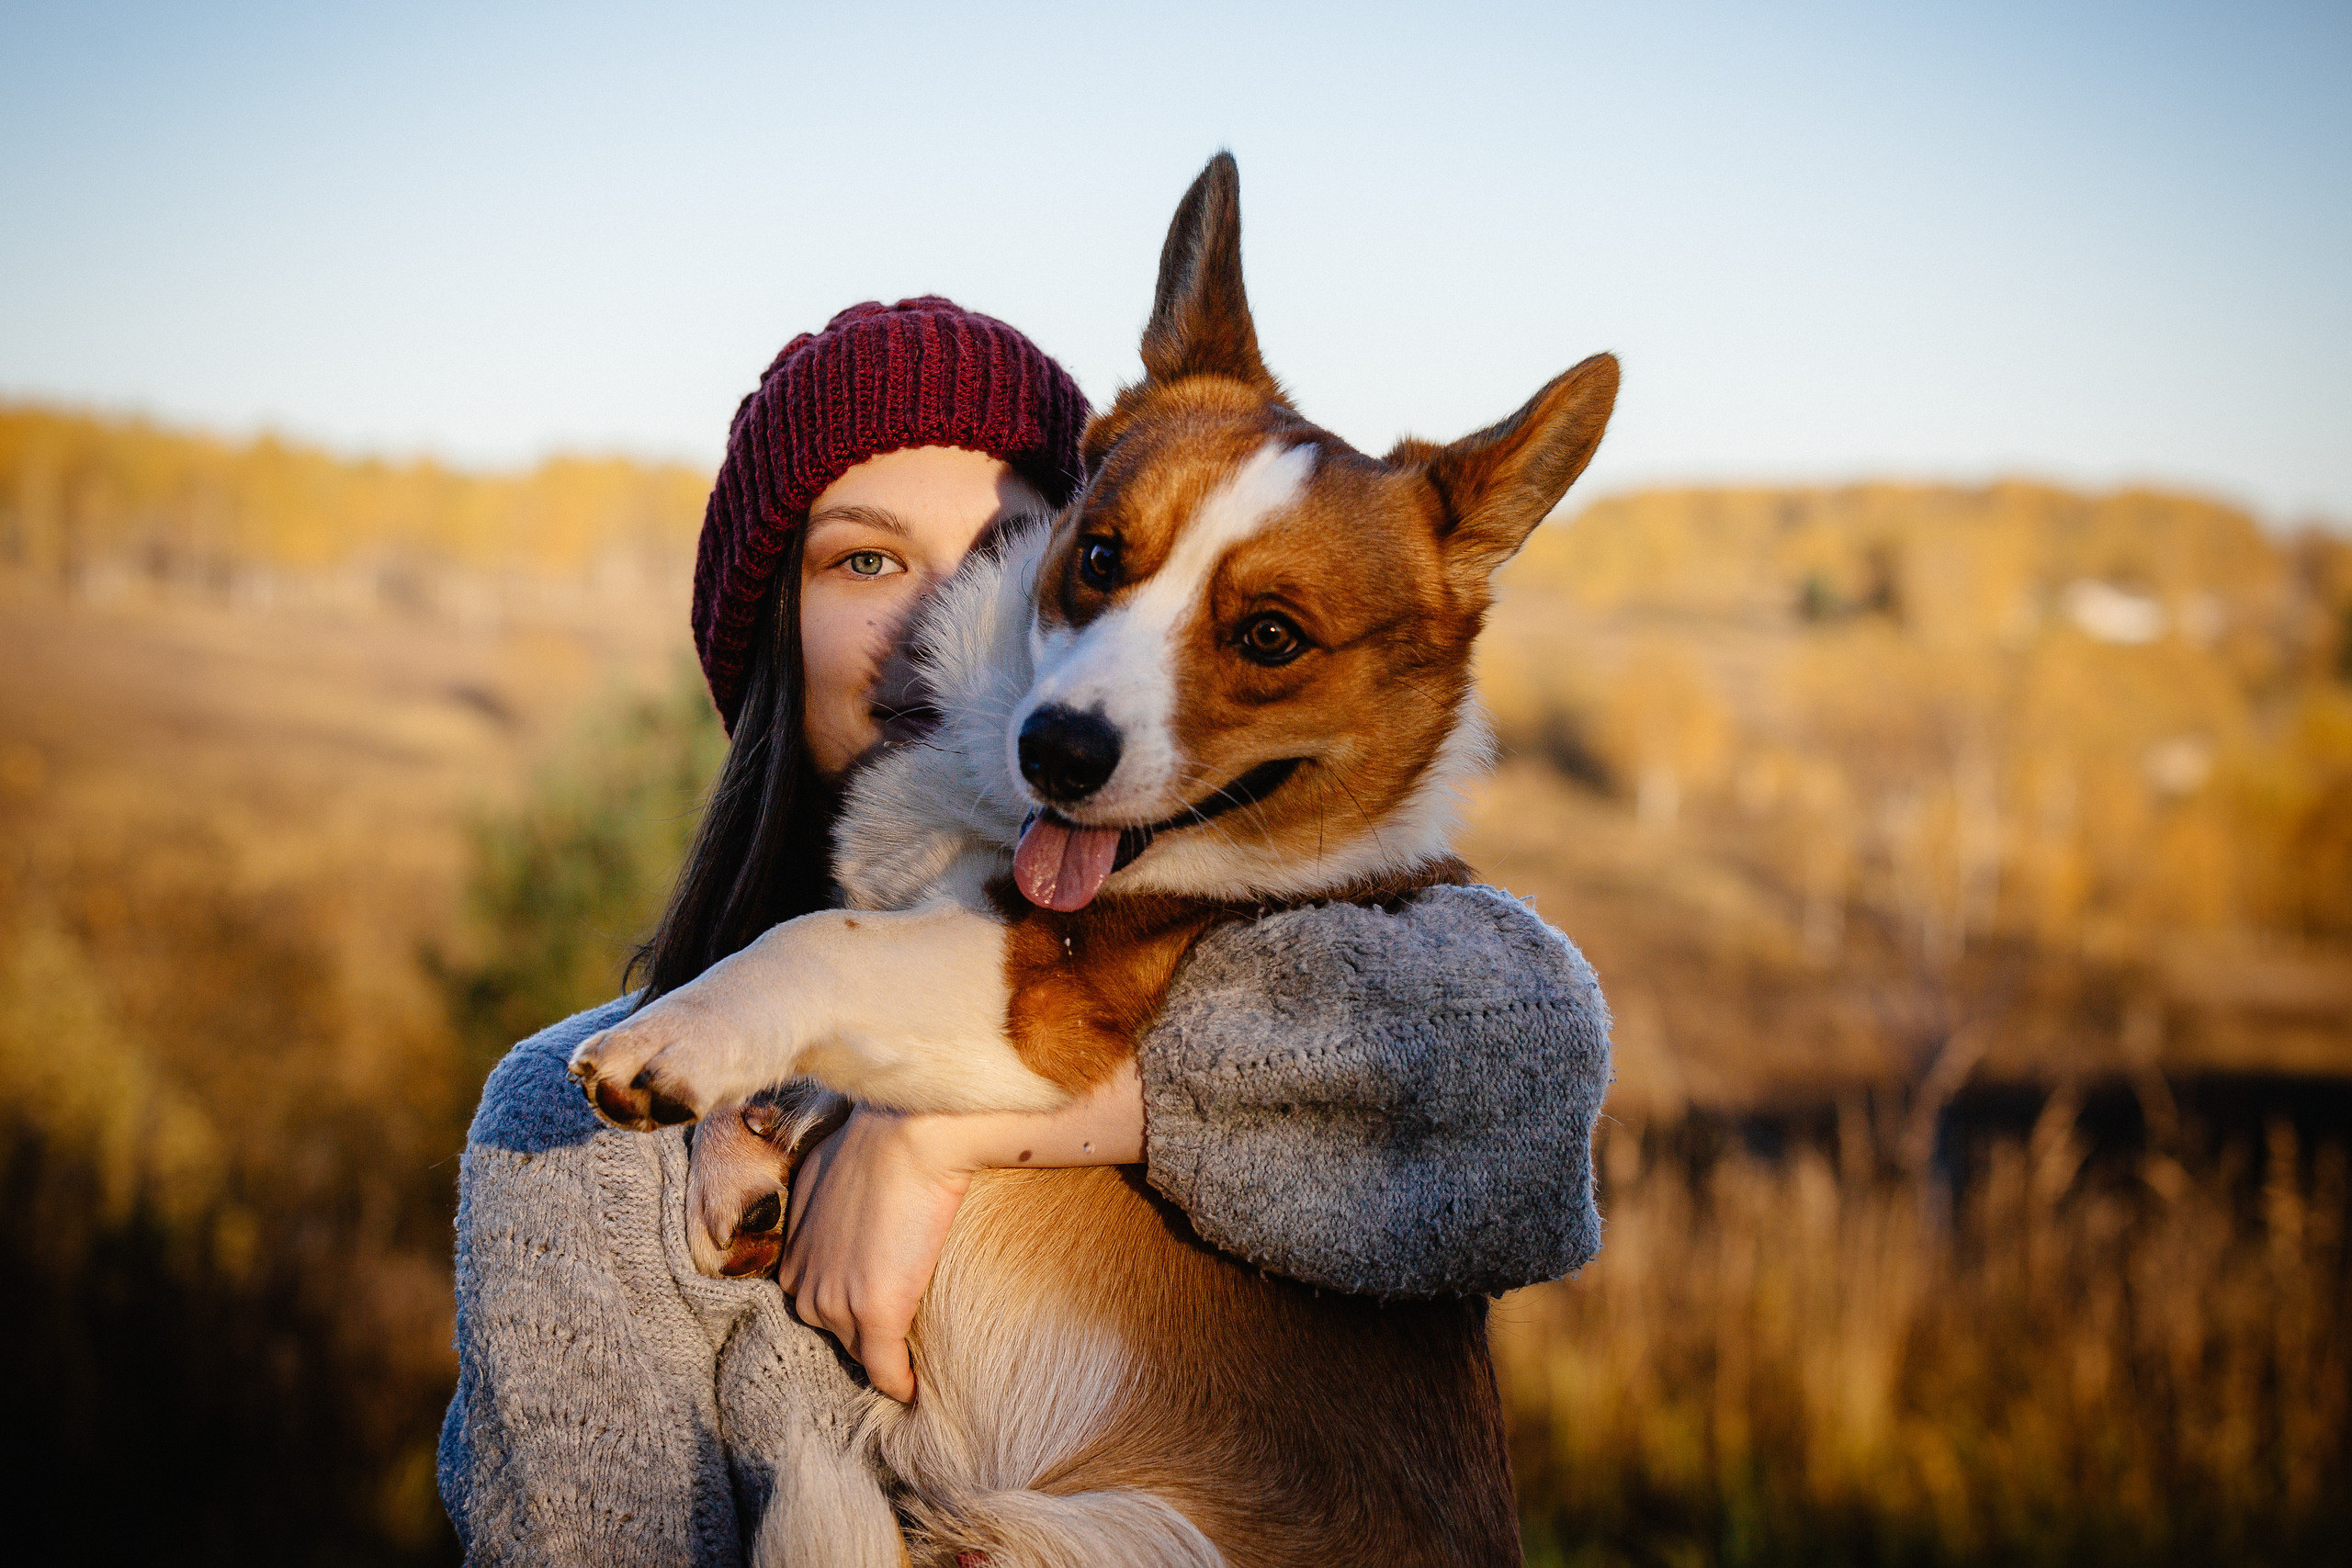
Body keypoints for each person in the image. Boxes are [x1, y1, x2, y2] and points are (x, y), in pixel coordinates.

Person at [437, 297, 1612, 1564]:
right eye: (865, 561)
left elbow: (1530, 1069)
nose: (963, 614)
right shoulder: (568, 1138)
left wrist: (944, 1127)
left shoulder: (1341, 959)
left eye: (1012, 542)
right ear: (768, 619)